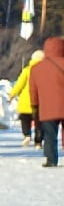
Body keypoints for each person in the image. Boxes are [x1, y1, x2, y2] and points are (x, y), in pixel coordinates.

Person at [30, 36, 64, 168]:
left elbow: (33, 90)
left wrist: (34, 105)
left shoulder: (36, 68)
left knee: (50, 134)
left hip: (48, 107)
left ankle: (51, 159)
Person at [10, 49, 45, 146]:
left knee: (25, 120)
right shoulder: (45, 70)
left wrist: (12, 95)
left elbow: (19, 85)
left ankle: (27, 135)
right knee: (39, 123)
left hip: (25, 101)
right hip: (40, 102)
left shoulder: (27, 70)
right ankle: (38, 142)